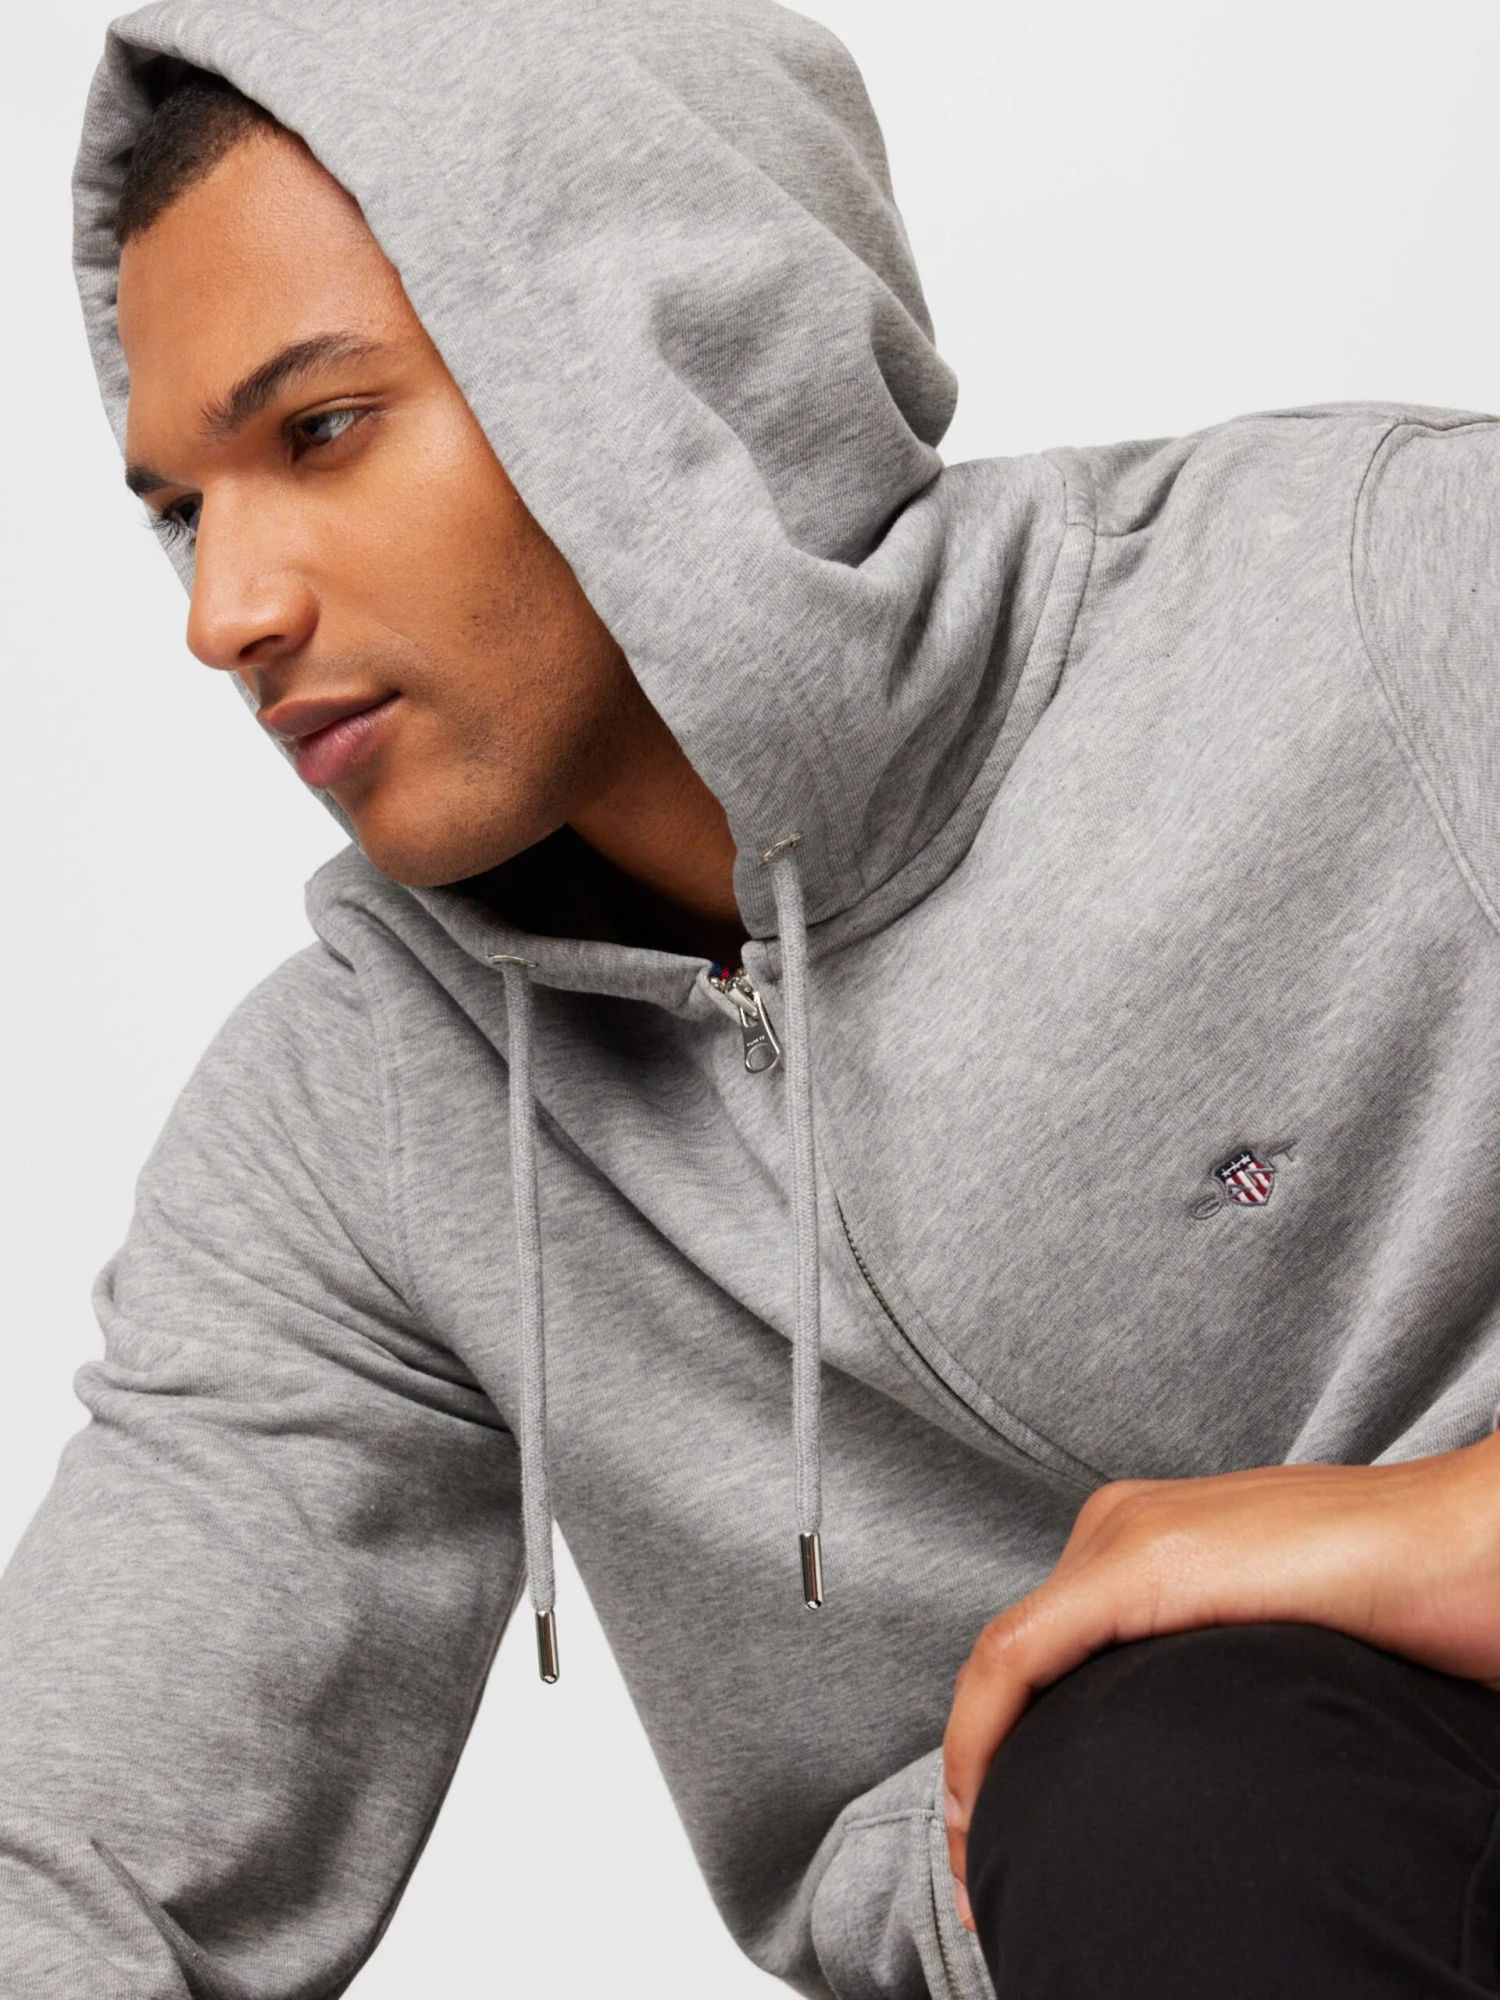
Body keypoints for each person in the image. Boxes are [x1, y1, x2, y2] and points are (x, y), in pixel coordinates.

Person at [4, 0, 1500, 1992]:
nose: (227, 612)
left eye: (322, 430)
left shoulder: (1388, 592)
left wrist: (1450, 1533)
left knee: (1181, 1776)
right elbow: (78, 1858)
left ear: (664, 348)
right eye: (184, 510)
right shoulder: (367, 1110)